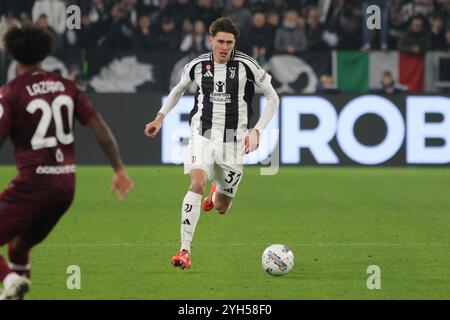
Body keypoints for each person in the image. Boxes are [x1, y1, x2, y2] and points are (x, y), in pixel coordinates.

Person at [0, 25, 134, 299]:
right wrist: (119, 168)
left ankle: (9, 279)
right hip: (65, 187)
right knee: (18, 248)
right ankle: (16, 287)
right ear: (45, 52)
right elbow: (99, 129)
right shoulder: (67, 87)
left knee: (13, 260)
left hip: (33, 185)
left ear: (13, 54)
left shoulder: (11, 92)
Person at [144, 17, 279, 270]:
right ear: (211, 40)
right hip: (202, 135)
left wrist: (257, 131)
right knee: (196, 183)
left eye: (229, 42)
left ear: (234, 43)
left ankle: (217, 192)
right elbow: (178, 90)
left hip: (234, 142)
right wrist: (160, 117)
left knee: (221, 208)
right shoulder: (197, 65)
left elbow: (273, 99)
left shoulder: (248, 65)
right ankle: (184, 251)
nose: (225, 46)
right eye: (220, 41)